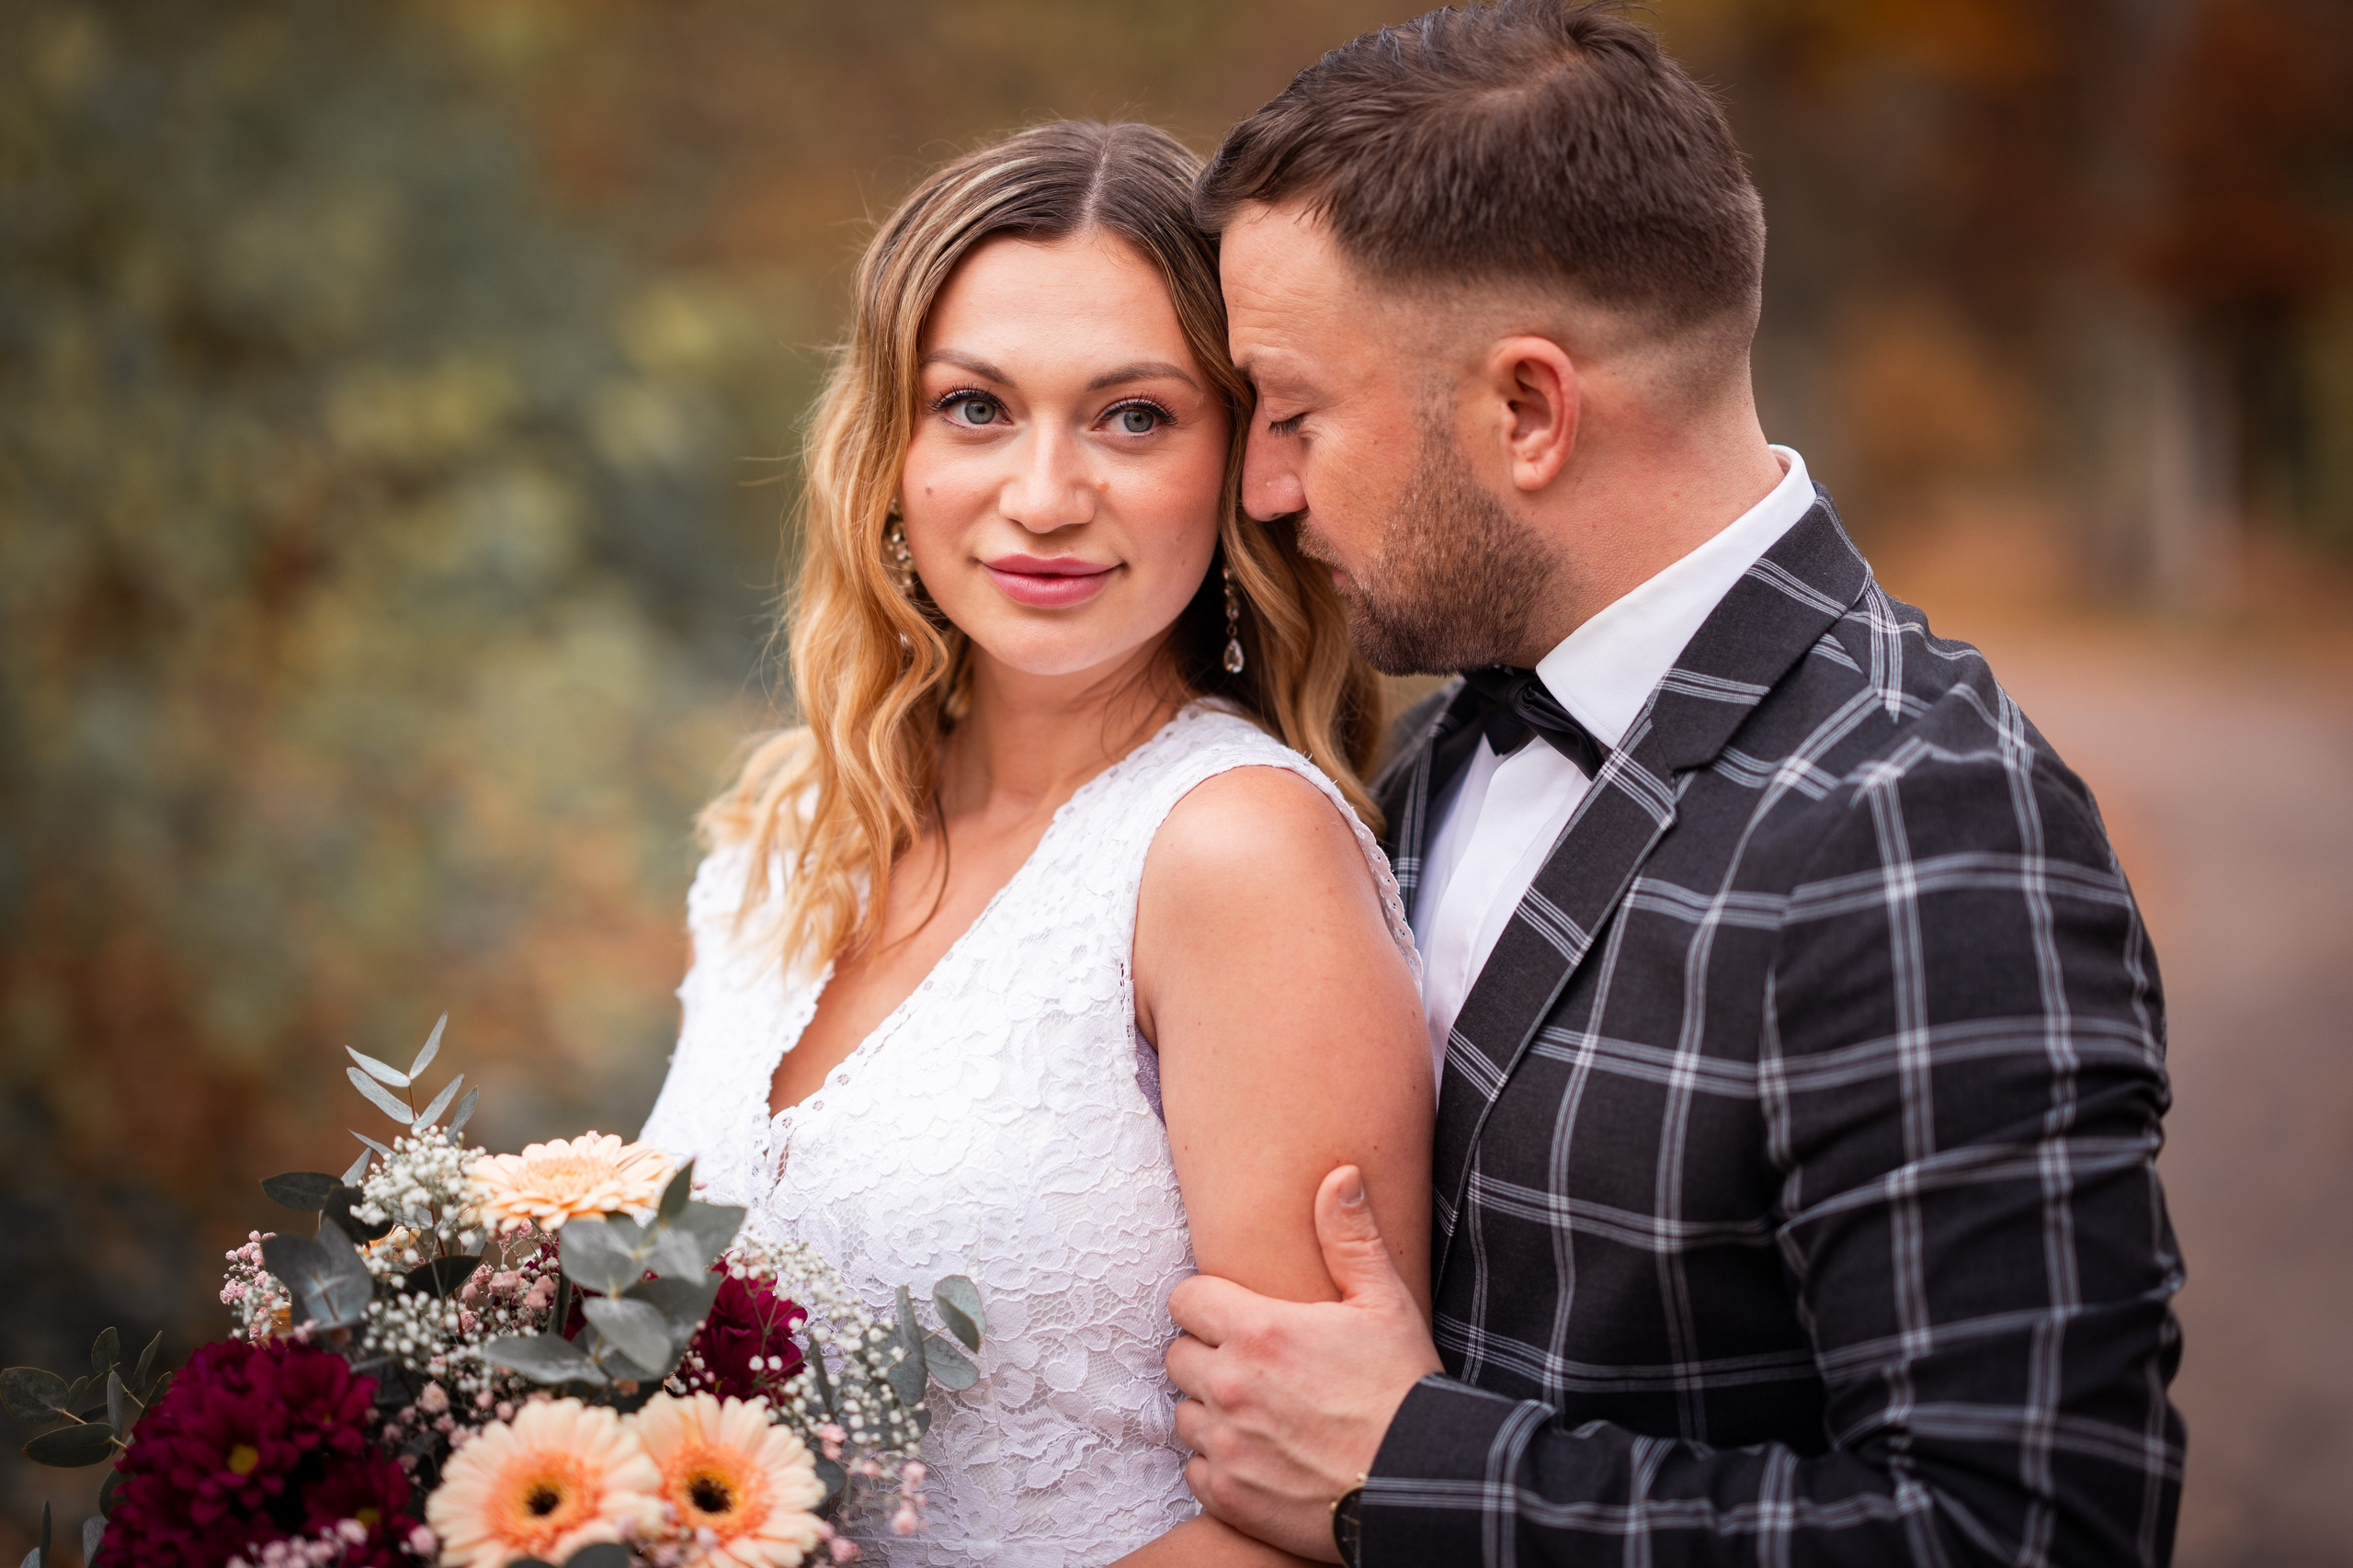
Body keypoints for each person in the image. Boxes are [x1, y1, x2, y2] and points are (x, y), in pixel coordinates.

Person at [1164, 4, 2187, 1565]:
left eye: (1297, 413)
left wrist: (1420, 1471)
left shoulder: (1917, 820)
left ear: (1527, 410)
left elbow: (2023, 1528)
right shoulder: (1433, 750)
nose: (1264, 489)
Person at [638, 120, 1430, 1565]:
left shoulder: (1236, 855)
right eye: (976, 408)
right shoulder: (784, 834)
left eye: (1135, 416)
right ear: (890, 448)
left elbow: (1314, 1520)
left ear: (1239, 461)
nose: (1048, 494)